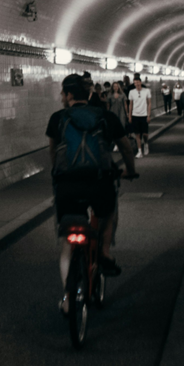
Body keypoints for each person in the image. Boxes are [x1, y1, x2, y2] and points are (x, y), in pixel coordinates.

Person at [46, 74, 137, 315]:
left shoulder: (57, 119)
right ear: (88, 95)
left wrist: (58, 176)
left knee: (67, 242)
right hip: (99, 182)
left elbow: (54, 152)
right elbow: (126, 146)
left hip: (67, 186)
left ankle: (67, 298)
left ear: (67, 96)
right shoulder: (104, 117)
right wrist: (130, 170)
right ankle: (104, 253)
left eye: (63, 94)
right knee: (108, 212)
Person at [128, 76, 152, 157]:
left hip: (144, 115)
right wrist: (130, 116)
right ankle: (139, 151)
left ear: (141, 82)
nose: (137, 84)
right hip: (135, 115)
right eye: (135, 83)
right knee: (137, 134)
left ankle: (145, 143)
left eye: (138, 82)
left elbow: (149, 103)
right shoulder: (131, 92)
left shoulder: (147, 91)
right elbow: (130, 105)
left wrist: (148, 115)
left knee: (145, 134)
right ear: (134, 84)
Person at [108, 82, 129, 151]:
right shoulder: (110, 95)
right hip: (113, 112)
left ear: (119, 87)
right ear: (112, 87)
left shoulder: (122, 94)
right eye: (114, 86)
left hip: (121, 112)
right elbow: (108, 105)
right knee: (113, 128)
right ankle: (116, 144)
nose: (115, 87)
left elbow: (125, 104)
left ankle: (120, 144)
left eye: (117, 86)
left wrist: (127, 113)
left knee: (121, 127)